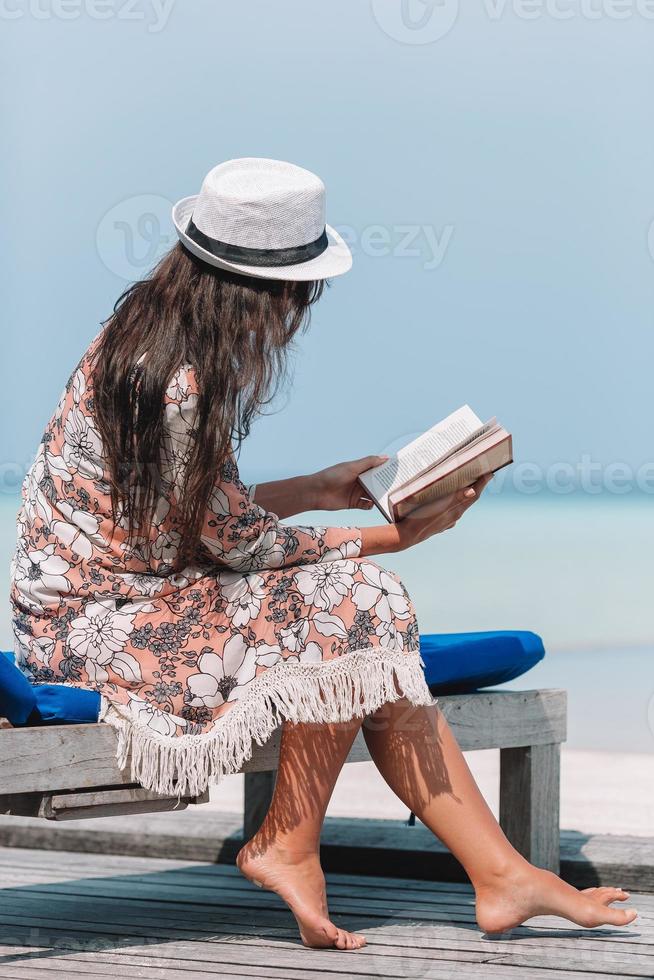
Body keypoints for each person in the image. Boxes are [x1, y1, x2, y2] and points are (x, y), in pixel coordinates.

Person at [11, 158, 636, 951]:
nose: (297, 316)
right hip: (95, 628)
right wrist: (399, 535)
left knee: (361, 619)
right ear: (266, 293)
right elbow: (240, 547)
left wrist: (316, 486)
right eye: (299, 295)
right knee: (358, 601)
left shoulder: (150, 339)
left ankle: (497, 877)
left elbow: (191, 520)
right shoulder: (171, 379)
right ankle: (295, 844)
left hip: (142, 593)